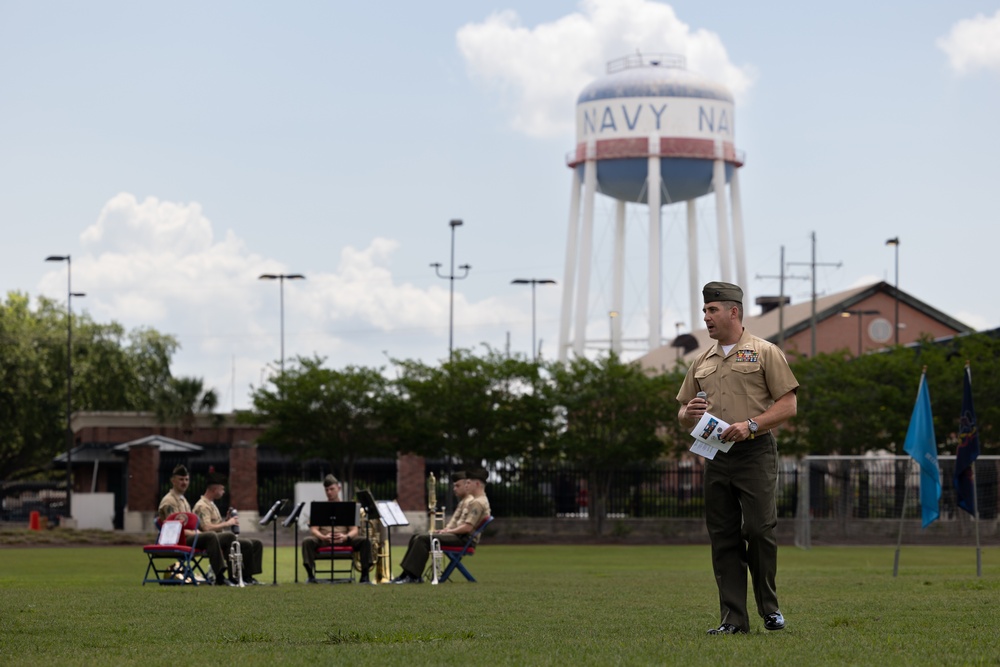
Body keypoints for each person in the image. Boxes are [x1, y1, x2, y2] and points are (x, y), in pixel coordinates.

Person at [676, 282, 799, 635]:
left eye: (712, 310)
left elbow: (788, 404)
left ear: (733, 311)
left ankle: (770, 609)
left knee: (760, 530)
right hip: (714, 452)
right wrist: (689, 413)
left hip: (754, 451)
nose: (706, 317)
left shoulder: (765, 352)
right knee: (724, 536)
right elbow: (683, 409)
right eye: (704, 311)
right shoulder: (702, 360)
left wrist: (751, 425)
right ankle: (733, 619)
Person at [391, 468, 491, 584]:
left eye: (468, 482)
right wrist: (448, 531)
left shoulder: (478, 502)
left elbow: (467, 528)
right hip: (461, 537)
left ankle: (413, 576)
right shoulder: (478, 501)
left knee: (423, 539)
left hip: (463, 539)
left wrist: (449, 531)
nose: (466, 485)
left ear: (477, 484)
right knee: (418, 536)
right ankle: (407, 574)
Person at [157, 464, 235, 586]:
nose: (184, 482)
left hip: (189, 537)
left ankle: (235, 575)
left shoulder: (183, 500)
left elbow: (189, 525)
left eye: (186, 479)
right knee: (210, 536)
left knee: (229, 537)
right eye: (181, 479)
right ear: (173, 480)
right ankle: (219, 576)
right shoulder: (169, 501)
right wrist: (196, 533)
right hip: (177, 540)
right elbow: (172, 530)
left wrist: (197, 532)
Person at [192, 472, 265, 585]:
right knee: (231, 537)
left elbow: (214, 526)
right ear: (214, 489)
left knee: (255, 543)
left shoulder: (211, 504)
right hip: (208, 540)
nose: (224, 492)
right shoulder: (202, 506)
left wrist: (225, 521)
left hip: (219, 537)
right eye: (222, 489)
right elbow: (206, 528)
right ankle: (233, 576)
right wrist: (227, 524)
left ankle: (247, 576)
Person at [301, 474, 373, 584]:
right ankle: (310, 576)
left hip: (344, 539)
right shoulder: (319, 508)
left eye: (332, 489)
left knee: (365, 541)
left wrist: (346, 537)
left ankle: (365, 576)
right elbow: (314, 530)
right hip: (324, 539)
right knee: (307, 541)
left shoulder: (348, 507)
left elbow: (354, 530)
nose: (329, 492)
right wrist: (323, 537)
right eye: (326, 490)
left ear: (338, 489)